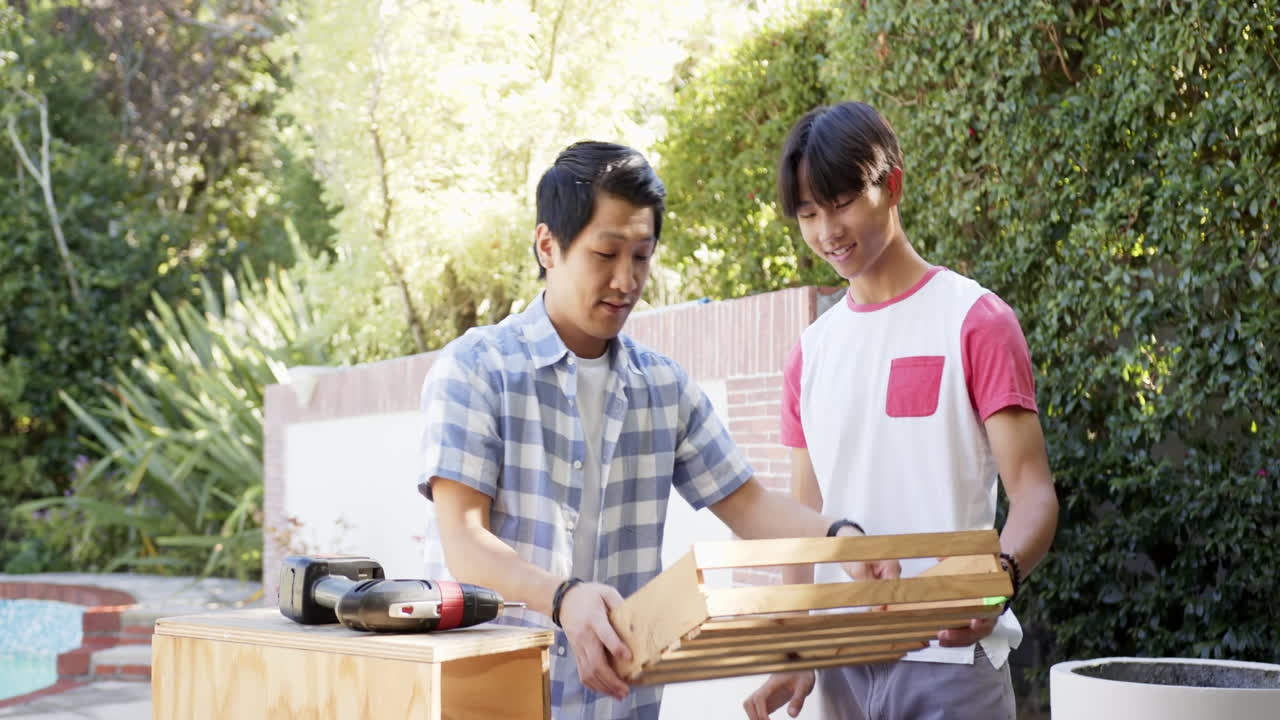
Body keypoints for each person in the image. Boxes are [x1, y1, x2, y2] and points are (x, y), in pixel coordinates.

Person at [418, 141, 862, 720]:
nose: (626, 280)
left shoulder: (664, 387)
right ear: (548, 246)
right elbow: (465, 543)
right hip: (493, 695)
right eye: (605, 254)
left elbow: (749, 505)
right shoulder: (476, 368)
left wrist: (843, 538)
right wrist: (564, 599)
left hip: (619, 702)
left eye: (641, 257)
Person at [743, 102, 1060, 720]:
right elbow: (805, 517)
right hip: (842, 665)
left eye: (840, 203)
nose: (826, 230)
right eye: (808, 214)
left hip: (951, 661)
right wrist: (796, 649)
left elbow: (1034, 494)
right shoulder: (810, 352)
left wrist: (997, 578)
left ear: (892, 185)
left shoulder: (974, 319)